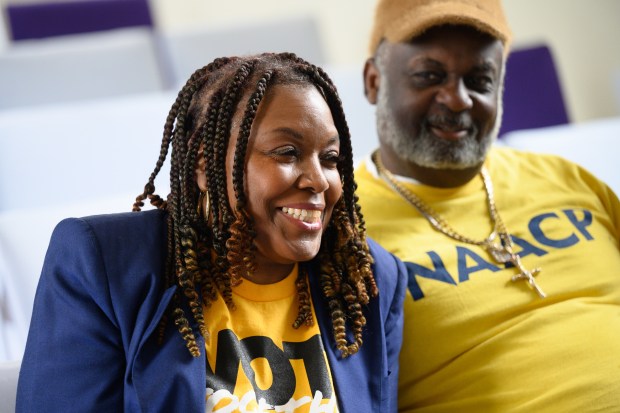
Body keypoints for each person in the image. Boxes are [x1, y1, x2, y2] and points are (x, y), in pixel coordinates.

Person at [16, 53, 407, 413]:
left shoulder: (369, 282)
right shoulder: (105, 266)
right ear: (205, 165)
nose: (319, 180)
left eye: (330, 158)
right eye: (287, 153)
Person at [355, 0, 620, 411]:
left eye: (481, 80)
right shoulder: (337, 227)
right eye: (430, 75)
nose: (458, 100)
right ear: (374, 81)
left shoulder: (566, 177)